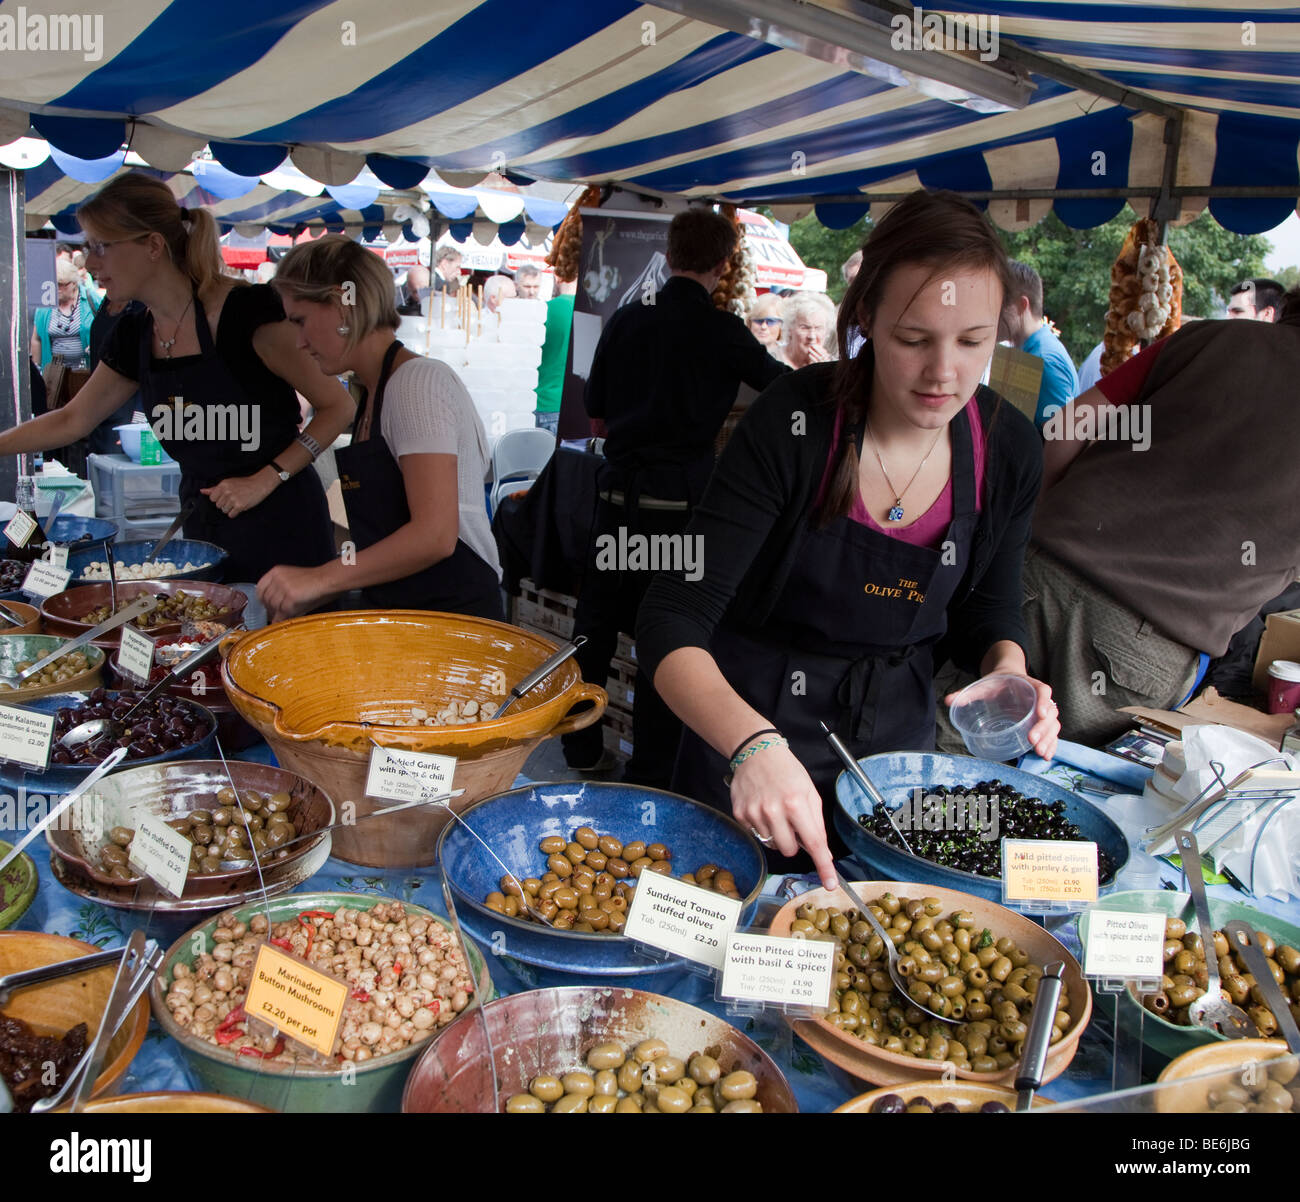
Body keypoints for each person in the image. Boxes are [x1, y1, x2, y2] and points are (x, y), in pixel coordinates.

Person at [636, 190, 1058, 887]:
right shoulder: (794, 423)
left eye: (973, 343)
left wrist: (1007, 672)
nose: (943, 373)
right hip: (749, 724)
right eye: (913, 339)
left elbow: (990, 607)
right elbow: (670, 617)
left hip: (895, 753)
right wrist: (750, 747)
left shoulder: (1007, 447)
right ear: (865, 317)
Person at [0, 173, 352, 583]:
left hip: (284, 531)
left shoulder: (245, 314)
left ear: (152, 245)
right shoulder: (134, 331)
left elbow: (338, 406)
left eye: (101, 246)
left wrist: (268, 477)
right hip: (202, 531)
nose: (89, 262)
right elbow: (71, 420)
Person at [562, 206, 789, 781]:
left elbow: (596, 410)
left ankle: (580, 753)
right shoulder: (723, 332)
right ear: (722, 264)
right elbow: (787, 391)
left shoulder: (626, 320)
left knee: (593, 630)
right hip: (678, 516)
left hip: (617, 506)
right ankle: (652, 768)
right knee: (666, 638)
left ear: (669, 253)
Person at [1026, 286, 1300, 745]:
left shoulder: (1208, 338)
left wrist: (1037, 529)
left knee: (945, 757)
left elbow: (1066, 427)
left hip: (1038, 571)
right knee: (1062, 793)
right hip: (1145, 642)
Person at [258, 236, 502, 621]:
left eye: (300, 321)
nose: (300, 343)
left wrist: (320, 580)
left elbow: (435, 536)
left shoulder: (416, 383)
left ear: (342, 305)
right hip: (403, 613)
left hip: (454, 621)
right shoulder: (373, 391)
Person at [998, 261, 1079, 429]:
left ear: (1021, 305)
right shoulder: (1024, 352)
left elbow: (1062, 440)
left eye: (997, 304)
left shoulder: (1044, 360)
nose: (988, 313)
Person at [31, 258, 97, 372]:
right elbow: (37, 339)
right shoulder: (45, 306)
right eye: (54, 284)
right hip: (54, 374)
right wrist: (37, 369)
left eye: (62, 284)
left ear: (74, 283)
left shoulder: (92, 300)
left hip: (86, 372)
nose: (57, 289)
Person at [535, 278, 575, 436]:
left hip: (543, 401)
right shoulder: (591, 311)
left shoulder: (544, 310)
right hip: (575, 407)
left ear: (557, 278)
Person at [779, 291, 837, 367]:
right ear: (790, 328)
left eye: (818, 328)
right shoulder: (772, 360)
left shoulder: (834, 366)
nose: (812, 336)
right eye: (805, 328)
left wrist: (824, 369)